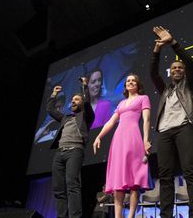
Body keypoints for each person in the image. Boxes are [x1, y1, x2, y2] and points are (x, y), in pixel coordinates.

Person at [150, 26, 193, 218]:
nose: (178, 69)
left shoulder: (189, 86)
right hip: (164, 132)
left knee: (190, 172)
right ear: (170, 72)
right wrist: (157, 50)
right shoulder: (165, 90)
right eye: (174, 68)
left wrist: (173, 43)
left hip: (185, 128)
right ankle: (166, 216)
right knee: (165, 176)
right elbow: (153, 74)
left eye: (180, 68)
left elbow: (190, 63)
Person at [93, 74, 152, 218]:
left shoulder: (143, 98)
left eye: (133, 80)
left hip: (133, 138)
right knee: (119, 180)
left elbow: (147, 120)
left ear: (138, 84)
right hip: (119, 139)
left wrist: (146, 140)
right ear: (125, 85)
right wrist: (99, 136)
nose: (130, 82)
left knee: (134, 180)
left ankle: (131, 216)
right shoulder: (121, 103)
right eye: (128, 81)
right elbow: (111, 122)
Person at [48, 78, 95, 218]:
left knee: (72, 185)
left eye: (77, 99)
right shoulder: (66, 118)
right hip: (60, 153)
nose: (73, 101)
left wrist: (84, 87)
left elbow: (87, 103)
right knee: (58, 188)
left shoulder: (86, 116)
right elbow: (50, 109)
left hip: (75, 151)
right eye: (72, 100)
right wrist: (53, 95)